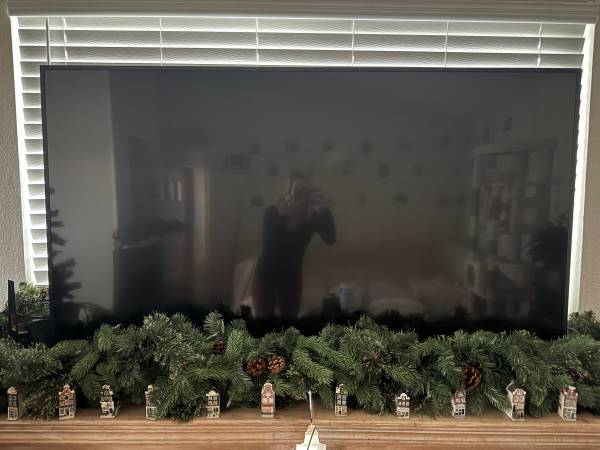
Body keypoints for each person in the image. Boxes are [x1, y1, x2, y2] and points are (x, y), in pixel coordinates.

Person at [253, 171, 336, 319]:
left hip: (292, 277)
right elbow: (269, 246)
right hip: (266, 274)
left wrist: (324, 211)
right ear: (289, 191)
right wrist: (282, 217)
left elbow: (331, 239)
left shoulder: (312, 217)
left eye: (305, 192)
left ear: (310, 195)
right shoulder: (273, 212)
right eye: (297, 190)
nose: (300, 195)